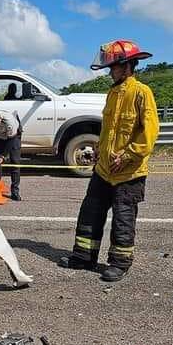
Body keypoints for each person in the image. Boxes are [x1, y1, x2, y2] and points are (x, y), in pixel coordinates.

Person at [59, 40, 159, 282]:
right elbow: (109, 132)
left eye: (113, 67)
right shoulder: (113, 94)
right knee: (90, 213)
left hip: (129, 173)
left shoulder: (141, 93)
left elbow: (150, 133)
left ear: (126, 66)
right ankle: (83, 257)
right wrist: (98, 152)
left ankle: (120, 262)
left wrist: (126, 156)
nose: (109, 72)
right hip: (104, 170)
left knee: (123, 219)